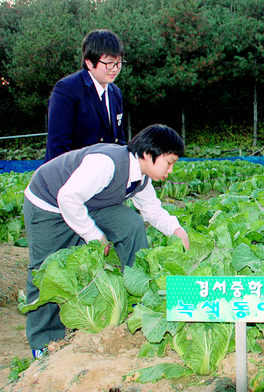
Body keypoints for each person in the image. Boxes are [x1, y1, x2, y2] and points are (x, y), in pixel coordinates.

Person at [24, 124, 190, 358]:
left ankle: (136, 299)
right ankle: (44, 340)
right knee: (46, 269)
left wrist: (176, 230)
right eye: (169, 162)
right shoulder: (106, 163)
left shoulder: (141, 178)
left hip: (90, 204)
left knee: (130, 224)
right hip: (48, 204)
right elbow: (68, 198)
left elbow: (152, 211)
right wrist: (95, 236)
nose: (170, 170)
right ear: (147, 154)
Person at [44, 29, 126, 162]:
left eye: (119, 62)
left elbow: (119, 142)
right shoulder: (67, 89)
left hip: (105, 175)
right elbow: (58, 147)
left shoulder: (115, 93)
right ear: (89, 62)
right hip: (71, 174)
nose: (115, 68)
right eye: (109, 63)